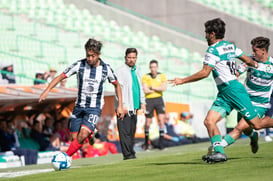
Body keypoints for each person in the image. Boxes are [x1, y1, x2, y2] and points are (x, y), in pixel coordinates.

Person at [168, 18, 269, 163]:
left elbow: (205, 72)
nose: (205, 36)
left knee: (256, 124)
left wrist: (182, 80)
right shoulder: (230, 46)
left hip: (234, 90)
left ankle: (253, 135)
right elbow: (247, 60)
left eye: (206, 33)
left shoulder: (212, 50)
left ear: (213, 34)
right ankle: (219, 153)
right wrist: (256, 65)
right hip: (224, 92)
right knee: (209, 121)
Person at [39, 38, 124, 159]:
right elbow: (60, 77)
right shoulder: (79, 65)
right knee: (74, 139)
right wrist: (47, 90)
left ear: (98, 55)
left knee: (82, 135)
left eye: (92, 56)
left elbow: (117, 85)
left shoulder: (106, 69)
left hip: (94, 108)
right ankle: (90, 134)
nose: (89, 58)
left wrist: (120, 106)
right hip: (79, 107)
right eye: (87, 55)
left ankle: (65, 157)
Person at [214, 37, 273, 154]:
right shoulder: (249, 61)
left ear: (263, 51)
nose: (252, 53)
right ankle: (254, 137)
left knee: (240, 127)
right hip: (244, 100)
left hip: (260, 104)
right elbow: (235, 74)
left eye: (255, 50)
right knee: (246, 129)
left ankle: (218, 149)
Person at [115, 48, 145, 160]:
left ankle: (131, 153)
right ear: (125, 58)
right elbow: (118, 89)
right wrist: (122, 106)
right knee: (125, 132)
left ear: (136, 58)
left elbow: (139, 87)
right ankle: (127, 155)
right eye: (129, 58)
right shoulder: (120, 71)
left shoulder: (136, 70)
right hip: (124, 107)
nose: (131, 60)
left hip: (134, 106)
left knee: (132, 131)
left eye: (133, 58)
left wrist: (142, 102)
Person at [142, 60, 167, 150]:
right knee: (148, 122)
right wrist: (158, 89)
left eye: (154, 67)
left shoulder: (162, 76)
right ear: (150, 68)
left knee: (161, 120)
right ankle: (146, 144)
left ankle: (161, 144)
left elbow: (164, 88)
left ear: (157, 67)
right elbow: (145, 90)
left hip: (159, 100)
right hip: (149, 100)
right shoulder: (146, 76)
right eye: (151, 67)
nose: (153, 69)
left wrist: (152, 88)